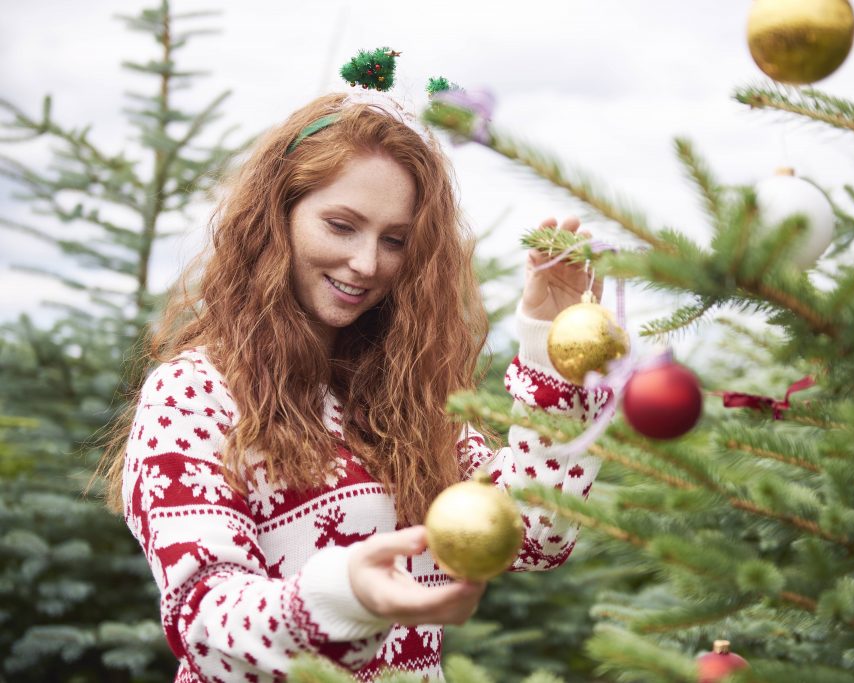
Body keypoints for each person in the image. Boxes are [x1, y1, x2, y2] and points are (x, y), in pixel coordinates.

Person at [97, 89, 609, 682]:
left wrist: (550, 343)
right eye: (341, 226)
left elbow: (536, 533)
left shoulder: (405, 404)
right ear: (276, 215)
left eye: (395, 240)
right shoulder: (193, 396)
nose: (367, 263)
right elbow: (204, 620)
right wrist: (346, 599)